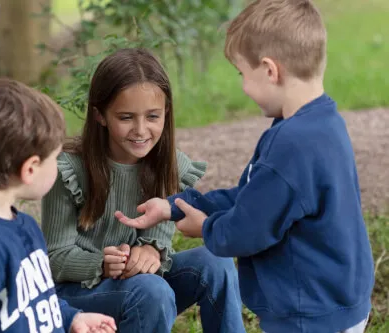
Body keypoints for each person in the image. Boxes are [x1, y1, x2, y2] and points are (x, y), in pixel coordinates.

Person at [115, 1, 375, 333]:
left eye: (243, 74)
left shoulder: (293, 144)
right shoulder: (322, 122)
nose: (243, 86)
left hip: (309, 314)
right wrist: (175, 207)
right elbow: (253, 197)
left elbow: (248, 230)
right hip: (334, 303)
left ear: (270, 70)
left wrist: (207, 228)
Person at [41, 48, 246, 333]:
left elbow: (157, 240)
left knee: (215, 263)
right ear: (100, 115)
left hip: (141, 285)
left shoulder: (170, 165)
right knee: (152, 290)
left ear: (166, 112)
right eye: (126, 117)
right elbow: (53, 259)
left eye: (152, 116)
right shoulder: (69, 171)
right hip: (77, 294)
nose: (141, 130)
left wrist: (151, 250)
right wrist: (102, 263)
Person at [0, 78, 116, 333]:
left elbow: (35, 299)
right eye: (55, 158)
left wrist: (70, 318)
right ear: (30, 169)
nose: (58, 165)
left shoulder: (24, 225)